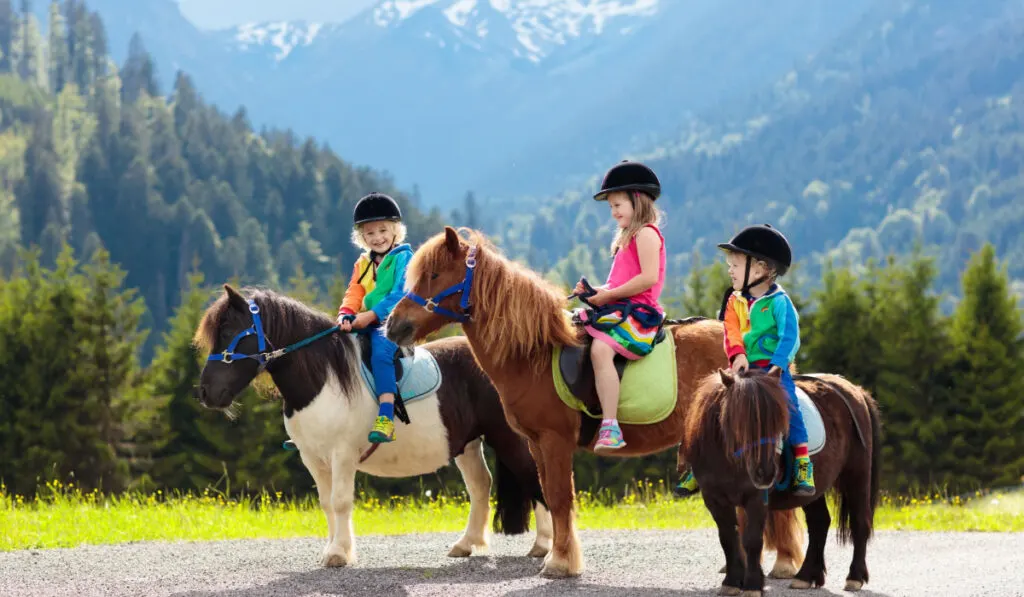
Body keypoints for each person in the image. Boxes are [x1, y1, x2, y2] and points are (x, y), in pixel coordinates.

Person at [676, 223, 814, 497]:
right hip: (742, 368)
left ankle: (802, 463)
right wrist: (737, 354)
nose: (730, 270)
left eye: (736, 265)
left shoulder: (779, 302)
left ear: (762, 268)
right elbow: (730, 330)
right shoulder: (735, 301)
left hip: (772, 370)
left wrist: (778, 364)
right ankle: (697, 464)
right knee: (710, 407)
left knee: (790, 409)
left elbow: (790, 336)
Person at [573, 160, 667, 453]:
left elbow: (648, 278)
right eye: (611, 207)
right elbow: (618, 284)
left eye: (618, 205)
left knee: (602, 349)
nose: (613, 213)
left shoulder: (647, 234)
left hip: (640, 312)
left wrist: (606, 297)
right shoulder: (629, 237)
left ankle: (611, 426)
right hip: (621, 306)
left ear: (637, 201)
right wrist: (595, 293)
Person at [337, 192, 413, 443]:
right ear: (362, 237)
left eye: (382, 230)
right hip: (364, 320)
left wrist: (370, 316)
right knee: (335, 348)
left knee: (381, 354)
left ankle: (386, 417)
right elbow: (355, 291)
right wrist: (346, 313)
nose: (377, 237)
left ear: (395, 231)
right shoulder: (362, 262)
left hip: (393, 323)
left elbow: (399, 294)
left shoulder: (404, 258)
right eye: (370, 233)